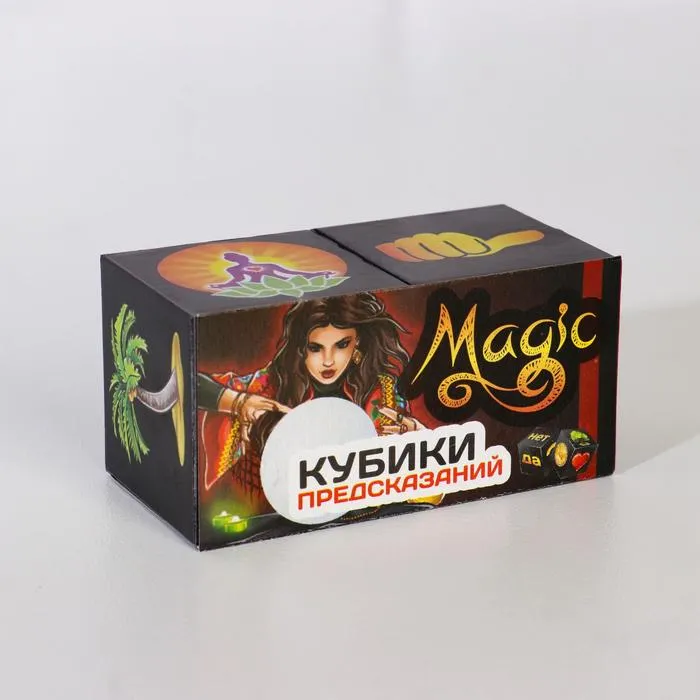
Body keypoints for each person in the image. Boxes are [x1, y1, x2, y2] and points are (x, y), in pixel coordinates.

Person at [198, 292, 426, 513]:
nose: (328, 361)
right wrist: (238, 402)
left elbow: (413, 488)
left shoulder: (383, 392)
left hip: (359, 512)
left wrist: (421, 442)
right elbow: (190, 384)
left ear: (357, 342)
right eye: (315, 348)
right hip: (277, 512)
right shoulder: (272, 385)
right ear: (301, 347)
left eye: (341, 345)